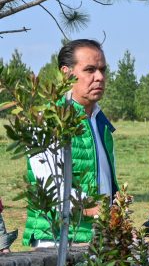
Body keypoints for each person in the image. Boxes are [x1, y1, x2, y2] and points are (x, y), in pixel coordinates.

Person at [23, 39, 118, 247]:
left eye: (102, 70)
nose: (100, 77)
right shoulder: (47, 121)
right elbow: (52, 189)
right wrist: (98, 209)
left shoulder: (101, 124)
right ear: (66, 73)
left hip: (98, 239)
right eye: (90, 70)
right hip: (57, 239)